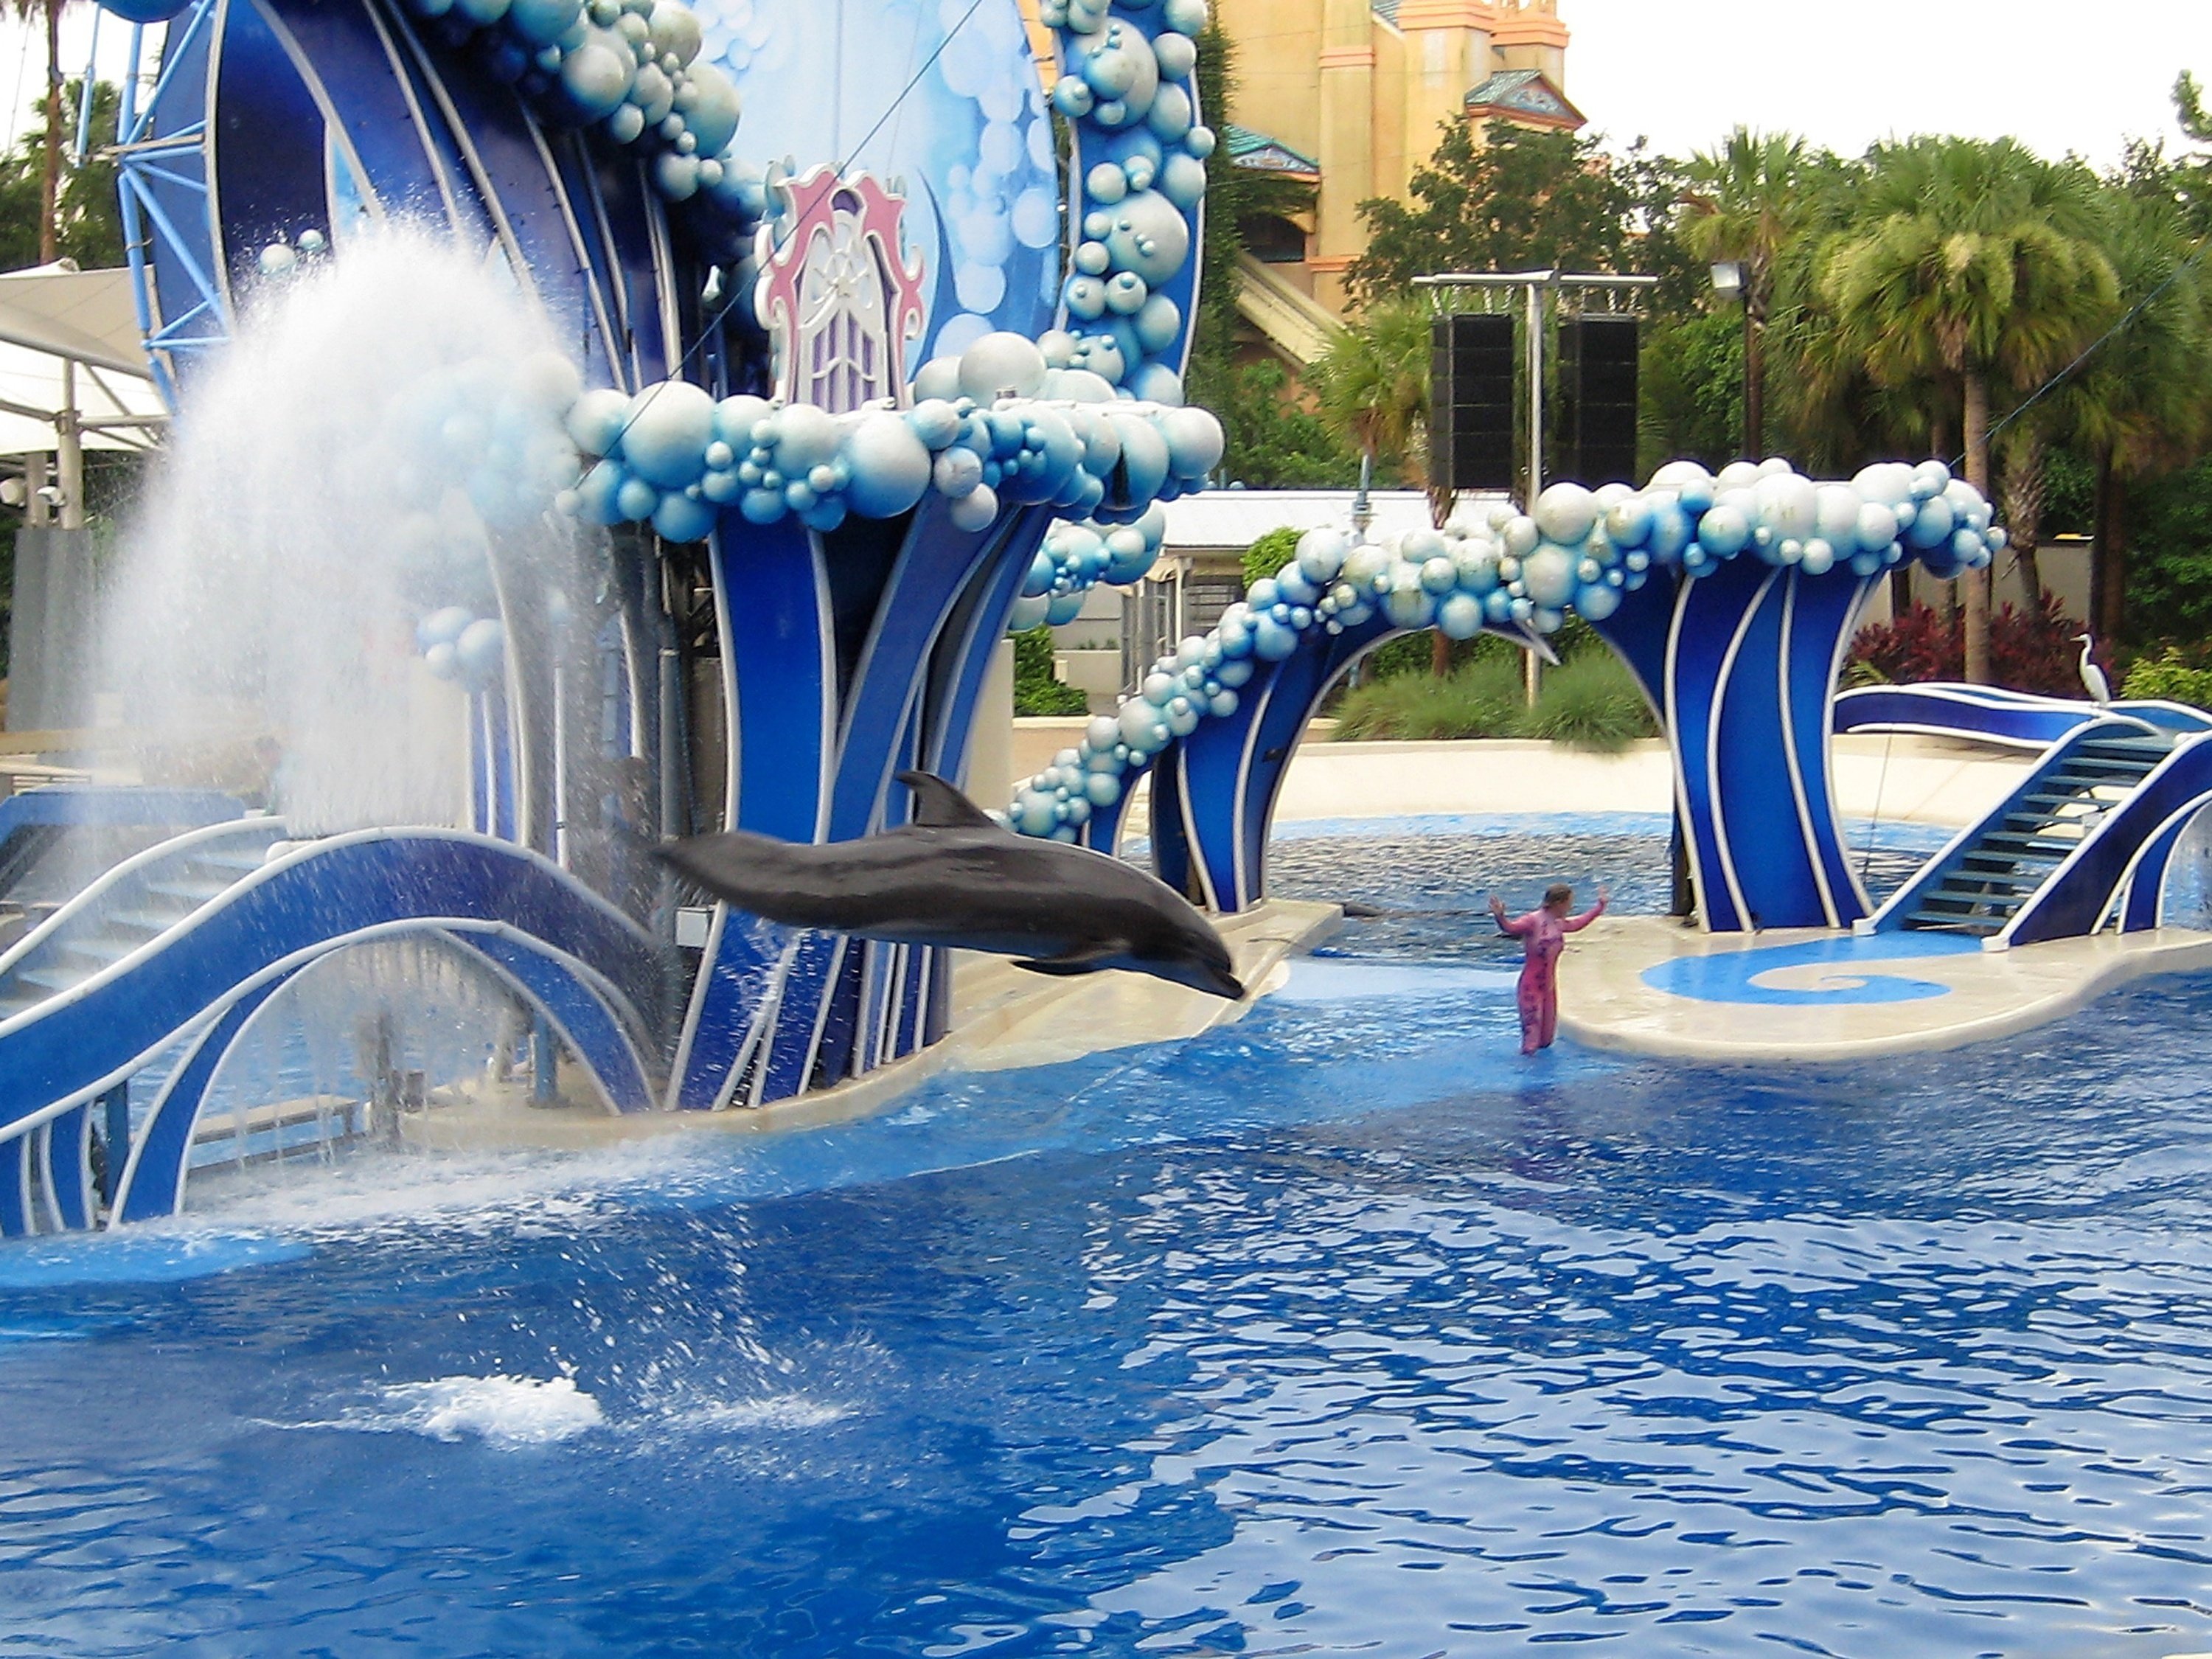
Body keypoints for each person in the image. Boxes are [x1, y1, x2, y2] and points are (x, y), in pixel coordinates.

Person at [1489, 882, 1609, 1056]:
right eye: (1569, 902)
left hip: (1549, 988)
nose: (1571, 906)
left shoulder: (1559, 923)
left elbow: (1578, 923)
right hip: (1531, 987)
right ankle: (1529, 1079)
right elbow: (1512, 928)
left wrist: (1600, 906)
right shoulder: (1533, 920)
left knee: (1546, 1041)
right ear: (1559, 903)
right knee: (1531, 1041)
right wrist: (1500, 917)